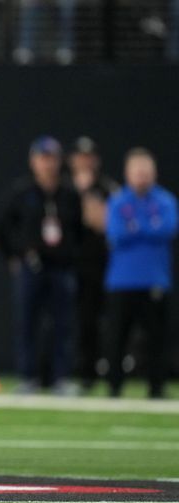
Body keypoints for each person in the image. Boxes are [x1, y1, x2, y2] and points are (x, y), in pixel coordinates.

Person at [0, 136, 83, 395]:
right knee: (27, 323)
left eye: (52, 159)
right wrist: (14, 255)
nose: (47, 164)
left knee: (63, 323)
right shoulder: (21, 192)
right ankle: (28, 376)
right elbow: (2, 227)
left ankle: (61, 377)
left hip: (60, 267)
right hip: (31, 267)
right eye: (43, 158)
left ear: (59, 162)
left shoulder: (69, 194)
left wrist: (70, 256)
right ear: (33, 161)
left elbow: (79, 230)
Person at [104, 148, 177, 399]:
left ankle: (156, 387)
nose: (142, 177)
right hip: (121, 281)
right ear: (128, 174)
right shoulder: (117, 201)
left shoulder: (166, 201)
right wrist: (147, 228)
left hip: (154, 280)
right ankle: (114, 386)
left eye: (146, 172)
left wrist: (135, 227)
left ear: (154, 173)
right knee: (117, 338)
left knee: (156, 339)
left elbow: (167, 230)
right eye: (137, 172)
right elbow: (116, 234)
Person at [67, 136, 117, 392]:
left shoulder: (107, 188)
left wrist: (86, 194)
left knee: (96, 321)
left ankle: (94, 374)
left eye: (89, 156)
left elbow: (103, 223)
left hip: (100, 265)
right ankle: (60, 374)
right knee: (66, 321)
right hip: (67, 264)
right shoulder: (62, 187)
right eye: (80, 156)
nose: (85, 161)